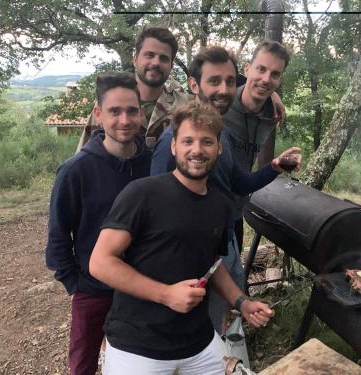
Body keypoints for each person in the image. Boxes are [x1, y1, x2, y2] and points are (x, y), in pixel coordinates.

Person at [89, 101, 274, 374]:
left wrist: (242, 302)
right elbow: (100, 263)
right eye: (188, 141)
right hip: (137, 345)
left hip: (198, 342)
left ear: (219, 148)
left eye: (207, 142)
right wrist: (166, 294)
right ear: (174, 146)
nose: (197, 150)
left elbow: (213, 265)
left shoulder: (220, 205)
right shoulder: (142, 193)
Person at [150, 46, 301, 334]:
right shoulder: (173, 139)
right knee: (186, 326)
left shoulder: (221, 136)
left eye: (230, 82)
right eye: (214, 82)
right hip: (184, 249)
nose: (224, 89)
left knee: (217, 319)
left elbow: (238, 184)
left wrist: (275, 167)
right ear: (194, 85)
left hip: (222, 238)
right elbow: (155, 207)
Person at [45, 72, 151, 375]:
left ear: (142, 114)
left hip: (141, 287)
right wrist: (76, 283)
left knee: (139, 362)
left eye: (131, 110)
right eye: (114, 111)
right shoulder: (75, 170)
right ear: (98, 115)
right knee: (82, 364)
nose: (124, 119)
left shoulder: (152, 163)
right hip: (93, 290)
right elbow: (58, 236)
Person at [223, 40, 291, 252]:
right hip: (205, 212)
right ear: (247, 69)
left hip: (236, 211)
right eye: (261, 69)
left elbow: (263, 86)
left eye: (275, 74)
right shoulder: (221, 100)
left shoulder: (272, 115)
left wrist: (272, 95)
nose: (266, 79)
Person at [77, 26, 188, 151]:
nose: (156, 62)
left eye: (163, 58)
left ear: (171, 65)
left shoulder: (185, 107)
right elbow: (83, 157)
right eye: (149, 55)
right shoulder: (109, 104)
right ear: (135, 59)